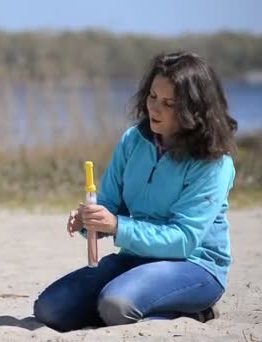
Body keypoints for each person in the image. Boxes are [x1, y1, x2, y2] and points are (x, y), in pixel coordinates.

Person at [33, 51, 238, 332]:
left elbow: (184, 240)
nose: (155, 108)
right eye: (152, 96)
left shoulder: (213, 163)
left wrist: (117, 225)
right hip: (134, 258)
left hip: (195, 266)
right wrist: (89, 221)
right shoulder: (133, 140)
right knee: (49, 309)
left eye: (169, 103)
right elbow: (108, 205)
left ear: (195, 111)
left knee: (116, 304)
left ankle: (197, 313)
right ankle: (140, 309)